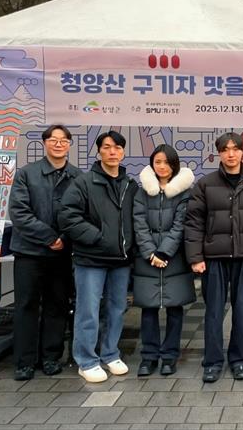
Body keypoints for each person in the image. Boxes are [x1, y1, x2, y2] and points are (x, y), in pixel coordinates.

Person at [184, 132, 243, 383]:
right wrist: (195, 257)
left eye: (235, 149)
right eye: (225, 150)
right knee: (213, 311)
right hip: (214, 257)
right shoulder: (205, 184)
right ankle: (212, 362)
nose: (231, 154)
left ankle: (240, 360)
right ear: (219, 153)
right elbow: (194, 222)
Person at [59, 131, 138, 383]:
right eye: (107, 147)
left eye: (117, 147)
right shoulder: (84, 182)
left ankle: (110, 353)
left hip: (121, 260)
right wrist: (97, 237)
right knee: (88, 310)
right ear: (99, 151)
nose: (112, 152)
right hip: (90, 258)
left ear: (123, 152)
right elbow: (68, 216)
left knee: (117, 309)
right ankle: (86, 360)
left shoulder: (130, 185)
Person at [8, 125, 81, 381]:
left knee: (57, 305)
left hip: (62, 254)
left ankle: (51, 357)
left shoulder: (77, 177)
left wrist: (64, 239)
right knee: (26, 306)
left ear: (70, 144)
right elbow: (19, 213)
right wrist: (50, 237)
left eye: (63, 140)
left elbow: (81, 214)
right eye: (53, 140)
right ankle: (24, 362)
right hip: (29, 252)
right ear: (44, 143)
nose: (58, 144)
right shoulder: (26, 174)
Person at [132, 144, 196, 377]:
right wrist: (150, 252)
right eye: (158, 162)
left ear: (174, 165)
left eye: (167, 162)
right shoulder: (141, 192)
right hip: (146, 259)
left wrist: (164, 253)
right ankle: (149, 357)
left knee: (174, 308)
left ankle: (170, 356)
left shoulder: (184, 193)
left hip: (174, 259)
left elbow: (181, 225)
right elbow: (139, 224)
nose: (162, 166)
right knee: (148, 309)